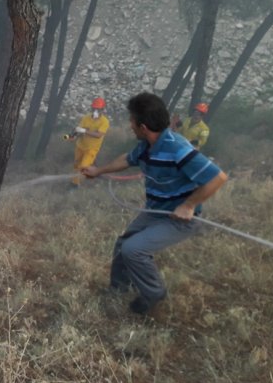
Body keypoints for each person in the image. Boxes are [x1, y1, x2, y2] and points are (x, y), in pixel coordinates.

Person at [82, 92, 227, 315]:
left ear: (143, 127)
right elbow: (127, 159)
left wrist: (188, 205)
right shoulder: (147, 145)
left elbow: (218, 178)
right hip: (156, 211)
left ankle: (154, 293)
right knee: (123, 244)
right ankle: (119, 289)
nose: (130, 125)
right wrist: (98, 170)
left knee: (133, 249)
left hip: (179, 219)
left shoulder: (176, 147)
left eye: (132, 121)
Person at [70, 97, 110, 186]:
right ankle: (74, 182)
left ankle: (75, 184)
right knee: (76, 165)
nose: (96, 111)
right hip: (80, 146)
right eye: (94, 108)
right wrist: (74, 136)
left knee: (83, 166)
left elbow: (99, 135)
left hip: (92, 148)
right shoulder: (86, 118)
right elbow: (79, 130)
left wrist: (84, 131)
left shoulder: (104, 122)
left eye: (98, 109)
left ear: (102, 110)